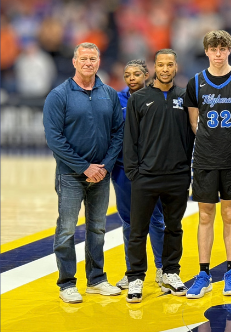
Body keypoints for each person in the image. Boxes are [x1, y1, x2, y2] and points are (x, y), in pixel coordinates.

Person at [43, 42, 124, 303]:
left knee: (97, 228)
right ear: (74, 62)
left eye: (93, 59)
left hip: (101, 174)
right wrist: (84, 167)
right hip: (70, 175)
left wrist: (105, 166)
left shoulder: (109, 94)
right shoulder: (59, 95)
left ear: (99, 62)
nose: (88, 63)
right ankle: (67, 283)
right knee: (67, 229)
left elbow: (118, 132)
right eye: (83, 58)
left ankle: (96, 280)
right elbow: (54, 139)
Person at [184, 30, 231, 299]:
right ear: (206, 51)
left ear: (229, 50)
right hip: (204, 158)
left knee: (229, 215)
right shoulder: (196, 82)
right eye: (213, 49)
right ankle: (204, 274)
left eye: (222, 48)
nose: (218, 53)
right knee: (205, 216)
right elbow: (194, 123)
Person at [123, 49, 196, 302]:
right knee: (138, 230)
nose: (165, 69)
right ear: (154, 67)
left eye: (170, 64)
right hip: (146, 176)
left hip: (177, 176)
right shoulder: (139, 98)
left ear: (176, 67)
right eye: (161, 64)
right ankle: (135, 277)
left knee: (174, 228)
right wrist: (134, 172)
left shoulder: (185, 97)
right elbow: (130, 138)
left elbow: (192, 135)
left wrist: (187, 169)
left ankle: (171, 272)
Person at [114, 59, 165, 291]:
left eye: (136, 74)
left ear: (146, 75)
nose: (131, 78)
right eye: (127, 75)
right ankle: (132, 271)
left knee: (155, 218)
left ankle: (163, 268)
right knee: (128, 221)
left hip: (151, 169)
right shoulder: (116, 100)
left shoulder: (159, 97)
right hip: (123, 168)